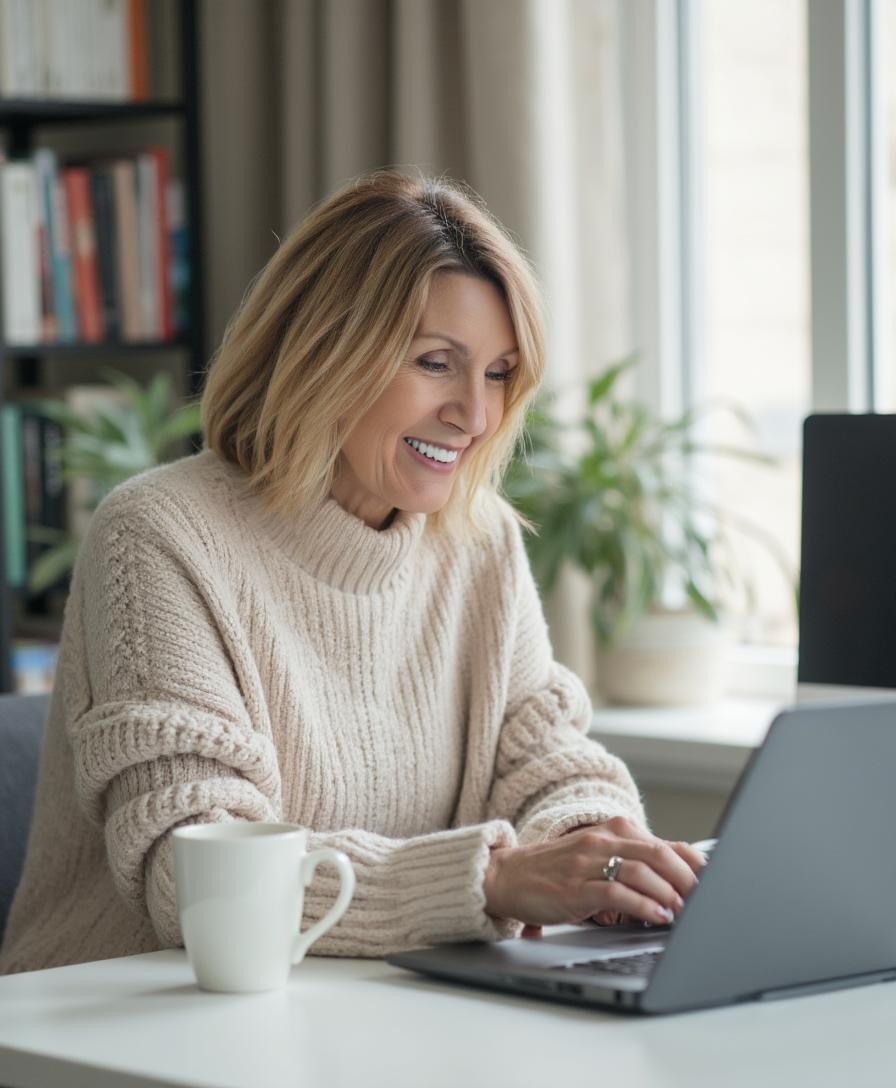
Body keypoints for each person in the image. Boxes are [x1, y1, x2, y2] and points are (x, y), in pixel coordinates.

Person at [0, 168, 704, 975]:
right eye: (437, 363)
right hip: (121, 1019)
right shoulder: (161, 535)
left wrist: (596, 853)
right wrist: (498, 879)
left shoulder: (479, 545)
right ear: (325, 350)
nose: (475, 415)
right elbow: (193, 875)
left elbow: (545, 762)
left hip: (371, 1006)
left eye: (500, 373)